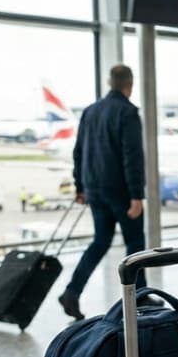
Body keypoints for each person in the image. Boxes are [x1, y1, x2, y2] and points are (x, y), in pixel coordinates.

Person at [57, 64, 149, 321]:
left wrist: (80, 187)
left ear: (110, 83)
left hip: (94, 189)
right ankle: (140, 296)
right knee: (135, 244)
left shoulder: (90, 111)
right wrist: (136, 196)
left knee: (100, 242)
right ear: (130, 84)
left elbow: (78, 152)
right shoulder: (127, 112)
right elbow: (132, 156)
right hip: (120, 191)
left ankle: (72, 292)